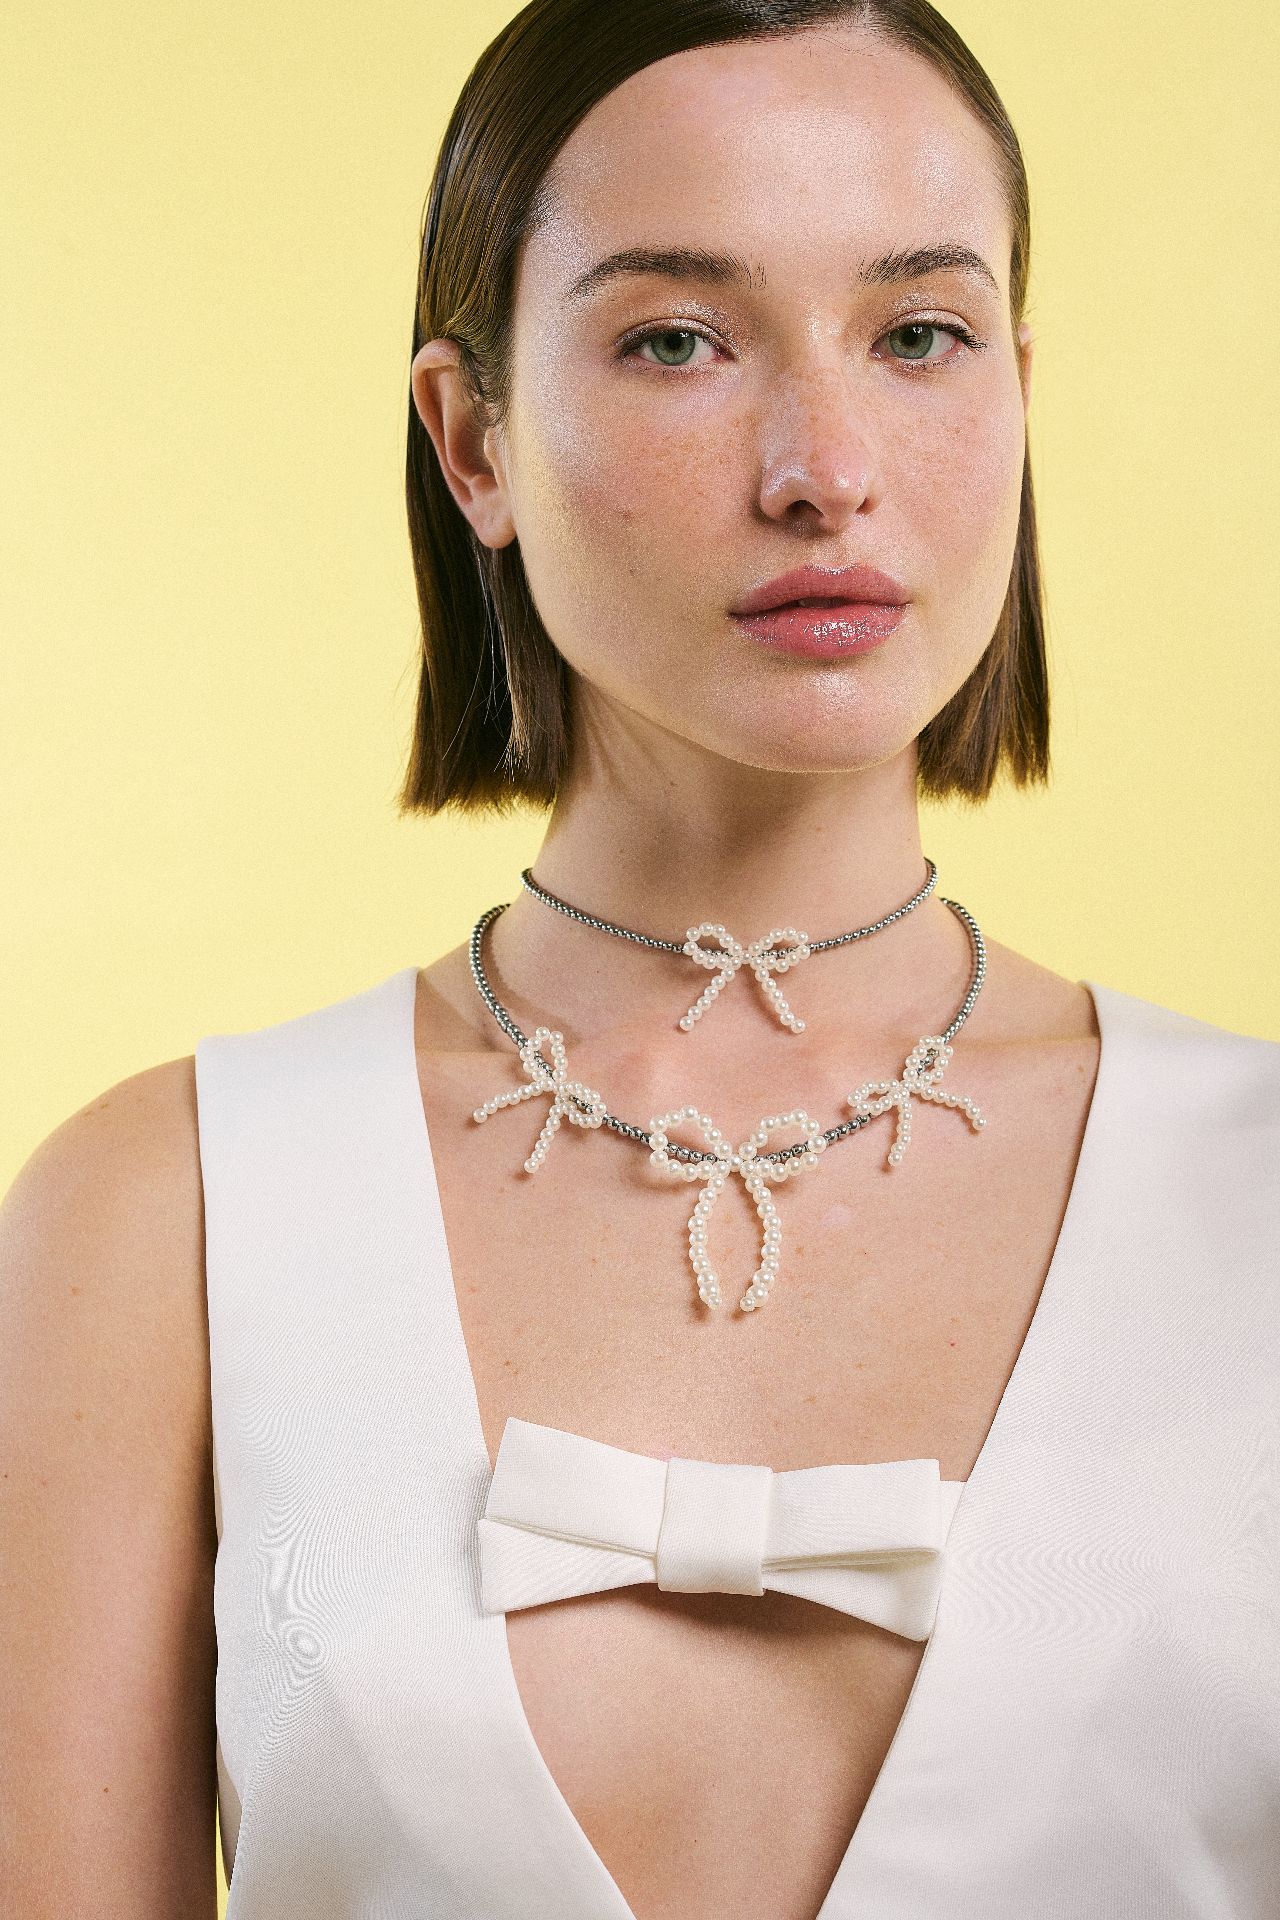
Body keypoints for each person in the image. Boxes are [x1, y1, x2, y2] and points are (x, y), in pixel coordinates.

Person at [3, 2, 1277, 1916]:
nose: (826, 469)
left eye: (918, 334)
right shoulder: (155, 1218)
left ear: (1020, 392)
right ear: (476, 442)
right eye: (678, 339)